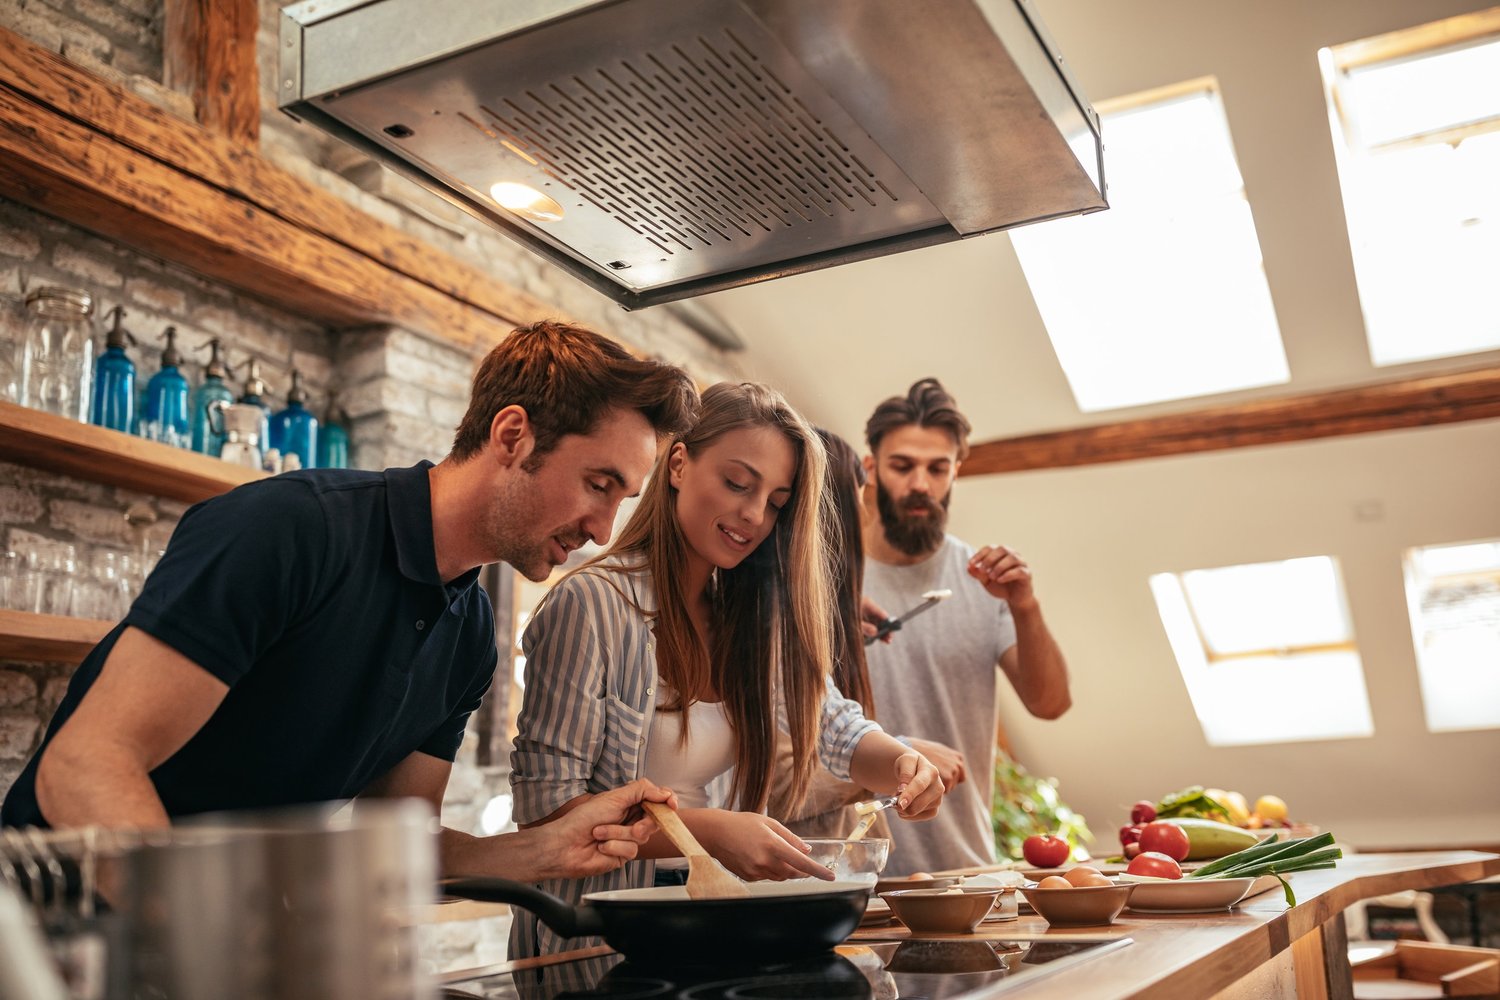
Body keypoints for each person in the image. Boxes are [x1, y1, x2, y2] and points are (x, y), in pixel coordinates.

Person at [1, 321, 700, 882]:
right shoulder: (292, 529)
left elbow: (401, 840)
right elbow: (86, 765)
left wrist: (547, 848)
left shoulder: (470, 636)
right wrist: (215, 952)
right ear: (512, 435)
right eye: (599, 484)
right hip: (52, 938)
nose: (603, 530)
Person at [509, 382, 945, 960]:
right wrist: (706, 832)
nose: (753, 515)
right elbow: (545, 813)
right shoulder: (592, 606)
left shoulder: (750, 620)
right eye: (737, 484)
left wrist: (902, 765)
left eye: (776, 501)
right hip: (594, 940)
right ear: (680, 463)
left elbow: (834, 723)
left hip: (711, 929)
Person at [861, 378, 1071, 876]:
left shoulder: (983, 579)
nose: (920, 484)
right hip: (856, 875)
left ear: (956, 471)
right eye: (902, 466)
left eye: (937, 469)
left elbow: (1050, 703)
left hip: (967, 874)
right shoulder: (827, 577)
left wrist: (1025, 605)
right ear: (871, 468)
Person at [766, 429, 892, 842]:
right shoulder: (768, 624)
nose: (868, 518)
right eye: (857, 505)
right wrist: (898, 757)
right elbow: (776, 787)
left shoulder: (811, 616)